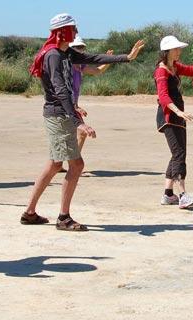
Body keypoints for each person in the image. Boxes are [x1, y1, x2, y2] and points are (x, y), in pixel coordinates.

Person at [21, 13, 144, 230]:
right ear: (61, 31)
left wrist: (127, 57)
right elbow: (59, 90)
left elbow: (93, 59)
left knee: (54, 165)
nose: (76, 32)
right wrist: (77, 121)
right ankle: (63, 217)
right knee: (76, 165)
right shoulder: (53, 56)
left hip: (61, 114)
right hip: (58, 115)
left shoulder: (64, 53)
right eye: (73, 28)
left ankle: (30, 212)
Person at [155, 35, 193, 209]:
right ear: (167, 51)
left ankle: (168, 195)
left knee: (177, 154)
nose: (179, 51)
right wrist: (179, 112)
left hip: (178, 117)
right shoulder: (161, 71)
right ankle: (182, 195)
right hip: (169, 118)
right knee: (179, 155)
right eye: (176, 49)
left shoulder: (174, 67)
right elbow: (163, 97)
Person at [66, 36, 114, 175]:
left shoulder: (80, 66)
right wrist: (75, 106)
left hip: (72, 105)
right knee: (81, 133)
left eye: (82, 48)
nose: (81, 51)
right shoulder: (66, 67)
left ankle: (63, 164)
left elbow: (97, 71)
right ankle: (73, 165)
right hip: (65, 106)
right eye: (77, 48)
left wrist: (107, 60)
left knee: (69, 135)